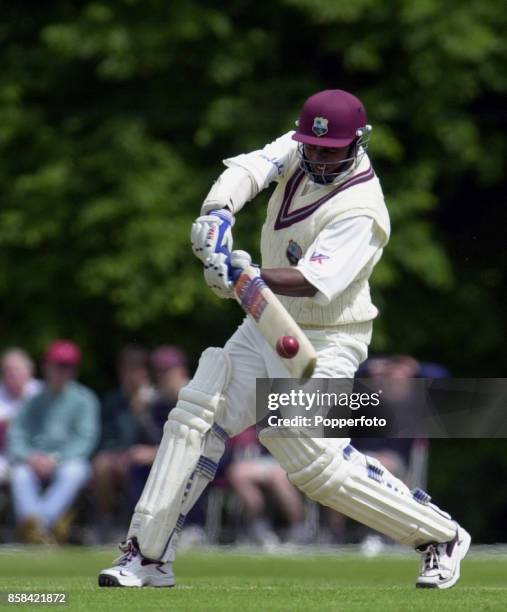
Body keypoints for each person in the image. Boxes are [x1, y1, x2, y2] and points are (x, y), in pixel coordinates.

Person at [99, 89, 470, 589]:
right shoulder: (301, 148)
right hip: (264, 322)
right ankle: (147, 556)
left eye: (329, 150)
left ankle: (440, 536)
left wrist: (241, 274)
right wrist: (217, 214)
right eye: (311, 147)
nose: (316, 158)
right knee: (196, 415)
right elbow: (251, 168)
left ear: (357, 143)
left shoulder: (363, 208)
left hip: (329, 338)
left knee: (311, 459)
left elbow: (315, 281)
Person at [8, 340, 99, 543]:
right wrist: (30, 457)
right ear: (46, 366)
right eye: (58, 365)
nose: (62, 371)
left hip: (67, 461)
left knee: (74, 471)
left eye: (68, 366)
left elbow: (86, 439)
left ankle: (38, 524)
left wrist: (56, 459)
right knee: (19, 473)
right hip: (34, 460)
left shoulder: (84, 399)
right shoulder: (33, 400)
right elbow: (17, 436)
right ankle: (36, 526)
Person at [92, 346, 155, 540]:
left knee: (134, 466)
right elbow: (104, 438)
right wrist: (116, 454)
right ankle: (106, 520)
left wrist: (143, 414)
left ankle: (135, 523)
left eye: (135, 370)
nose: (131, 376)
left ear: (145, 373)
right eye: (126, 370)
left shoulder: (156, 402)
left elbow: (157, 437)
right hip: (117, 456)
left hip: (149, 456)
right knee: (101, 465)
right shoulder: (113, 402)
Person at [0, 349, 42, 485]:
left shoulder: (42, 393)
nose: (12, 374)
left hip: (37, 453)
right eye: (7, 370)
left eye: (17, 369)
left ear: (30, 371)